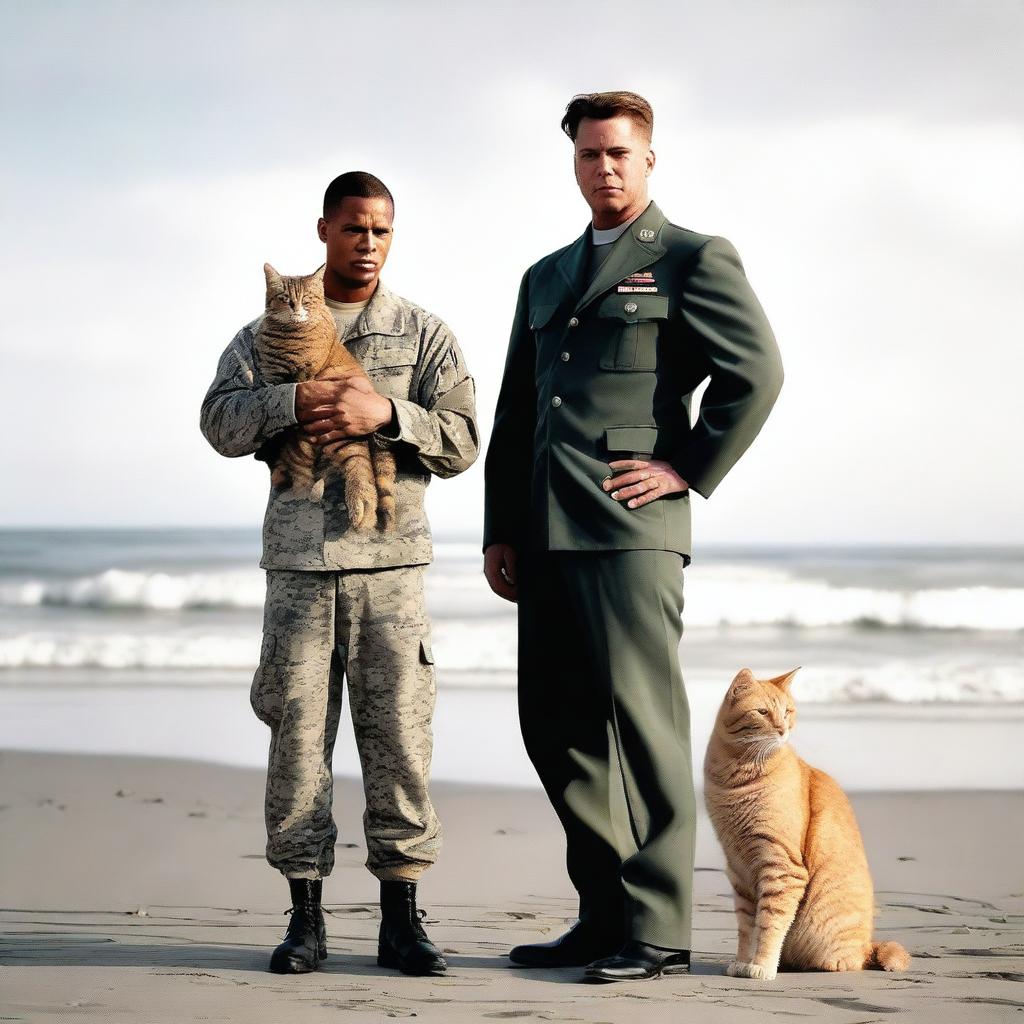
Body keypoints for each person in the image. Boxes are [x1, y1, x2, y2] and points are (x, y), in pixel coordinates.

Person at [482, 92, 783, 982]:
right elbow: (516, 412)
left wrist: (687, 465)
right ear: (572, 163)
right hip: (544, 533)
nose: (603, 168)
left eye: (618, 152)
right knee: (555, 728)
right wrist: (503, 528)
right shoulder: (544, 277)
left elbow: (755, 372)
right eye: (587, 155)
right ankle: (604, 912)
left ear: (649, 159)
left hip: (632, 529)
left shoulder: (692, 258)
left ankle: (656, 928)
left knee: (644, 730)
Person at [201, 171, 479, 977]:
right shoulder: (262, 336)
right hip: (298, 568)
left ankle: (402, 920)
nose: (368, 241)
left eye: (382, 230)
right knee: (297, 742)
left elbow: (463, 441)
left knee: (399, 739)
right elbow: (219, 421)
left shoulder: (421, 332)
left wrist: (386, 414)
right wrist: (293, 402)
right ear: (324, 230)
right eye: (355, 227)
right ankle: (304, 921)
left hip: (390, 569)